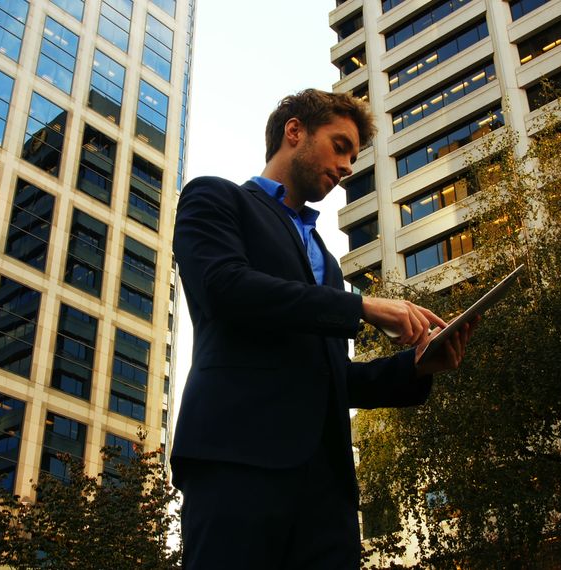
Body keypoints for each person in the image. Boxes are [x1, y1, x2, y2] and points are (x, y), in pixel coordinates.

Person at [170, 89, 474, 569]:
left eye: (353, 156)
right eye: (339, 146)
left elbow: (331, 376)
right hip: (238, 462)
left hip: (327, 490)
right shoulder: (215, 197)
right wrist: (361, 308)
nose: (348, 166)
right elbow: (224, 288)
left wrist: (415, 367)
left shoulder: (327, 263)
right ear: (295, 132)